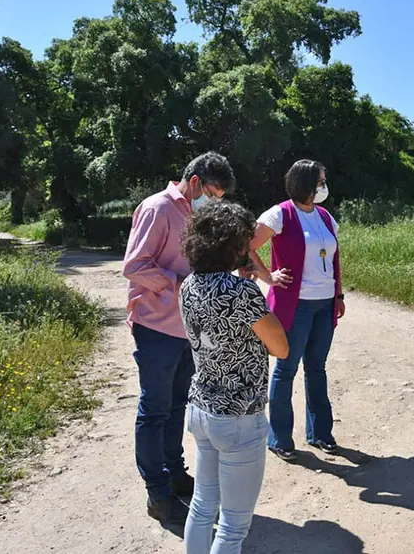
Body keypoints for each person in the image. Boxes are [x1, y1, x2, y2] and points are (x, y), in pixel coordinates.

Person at [122, 151, 235, 524]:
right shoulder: (158, 208)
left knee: (176, 407)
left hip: (187, 328)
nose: (214, 203)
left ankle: (173, 472)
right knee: (155, 408)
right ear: (196, 182)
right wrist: (179, 285)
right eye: (213, 194)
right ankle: (157, 491)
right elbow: (134, 267)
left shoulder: (197, 215)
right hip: (156, 326)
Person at [179, 200, 289, 553]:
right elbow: (280, 348)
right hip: (239, 416)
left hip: (201, 408)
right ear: (234, 245)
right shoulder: (240, 292)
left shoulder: (189, 285)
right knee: (233, 526)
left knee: (201, 507)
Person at [248, 159, 344, 461]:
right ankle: (279, 438)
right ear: (304, 183)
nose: (324, 187)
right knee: (286, 370)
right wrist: (267, 276)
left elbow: (334, 259)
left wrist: (338, 294)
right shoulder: (280, 214)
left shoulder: (326, 216)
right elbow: (246, 246)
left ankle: (320, 433)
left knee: (317, 368)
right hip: (295, 306)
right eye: (319, 181)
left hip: (325, 304)